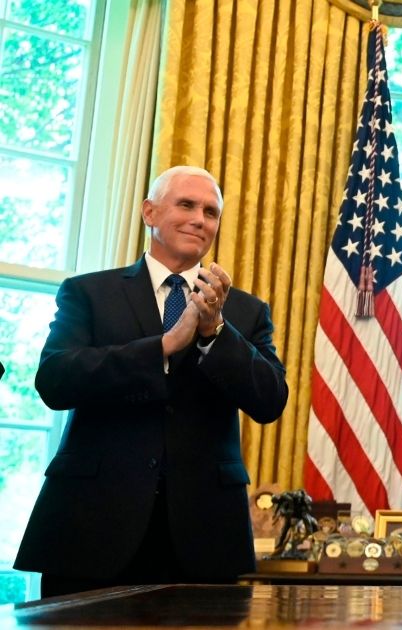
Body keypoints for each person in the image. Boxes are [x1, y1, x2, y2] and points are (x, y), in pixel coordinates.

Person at [15, 166, 289, 597]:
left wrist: (216, 331)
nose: (201, 219)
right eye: (187, 205)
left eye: (212, 212)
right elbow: (55, 380)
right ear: (149, 212)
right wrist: (160, 347)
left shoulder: (246, 311)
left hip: (206, 535)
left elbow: (271, 401)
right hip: (92, 526)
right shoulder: (88, 293)